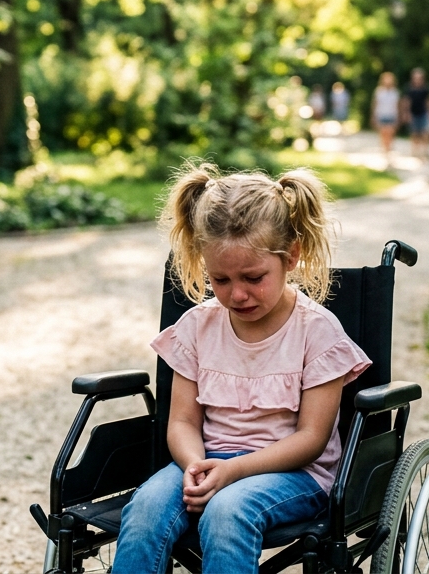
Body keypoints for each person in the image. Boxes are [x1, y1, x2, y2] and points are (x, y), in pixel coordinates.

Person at [113, 164, 372, 574]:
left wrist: (233, 471)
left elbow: (311, 439)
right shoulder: (199, 327)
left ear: (291, 257)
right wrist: (197, 465)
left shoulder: (318, 332)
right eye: (220, 279)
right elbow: (181, 421)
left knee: (227, 511)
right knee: (144, 507)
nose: (237, 294)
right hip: (206, 459)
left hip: (295, 473)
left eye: (253, 277)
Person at [402, 68, 429, 161]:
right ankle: (415, 151)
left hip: (423, 113)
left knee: (425, 133)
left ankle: (425, 151)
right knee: (414, 133)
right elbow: (406, 102)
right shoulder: (409, 89)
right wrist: (406, 113)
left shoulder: (426, 89)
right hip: (413, 114)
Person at [370, 71, 400, 157]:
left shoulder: (395, 92)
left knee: (390, 132)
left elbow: (397, 105)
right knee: (383, 133)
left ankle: (388, 148)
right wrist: (373, 116)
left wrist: (398, 117)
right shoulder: (379, 91)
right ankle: (385, 149)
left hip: (391, 115)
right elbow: (375, 104)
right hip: (381, 115)